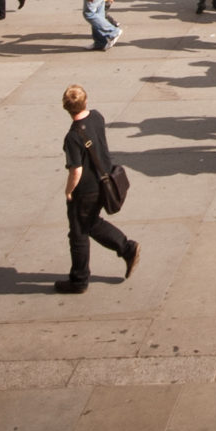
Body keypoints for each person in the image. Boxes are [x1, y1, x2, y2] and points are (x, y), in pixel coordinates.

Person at [59, 84, 139, 292]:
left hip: (85, 190)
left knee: (78, 234)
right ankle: (126, 248)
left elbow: (76, 170)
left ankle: (79, 279)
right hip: (102, 180)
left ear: (66, 107)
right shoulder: (97, 117)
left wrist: (68, 191)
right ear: (85, 101)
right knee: (91, 224)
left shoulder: (73, 136)